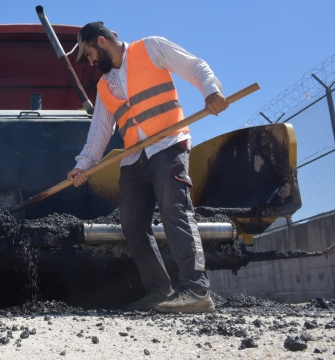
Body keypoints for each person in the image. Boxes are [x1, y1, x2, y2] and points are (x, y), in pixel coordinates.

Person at [67, 22, 228, 313]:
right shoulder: (104, 86)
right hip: (133, 158)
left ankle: (196, 291)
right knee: (131, 225)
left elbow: (194, 66)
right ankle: (159, 291)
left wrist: (211, 91)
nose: (89, 62)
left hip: (167, 146)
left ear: (102, 41)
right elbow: (99, 131)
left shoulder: (151, 48)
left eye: (89, 54)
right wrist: (83, 165)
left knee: (175, 212)